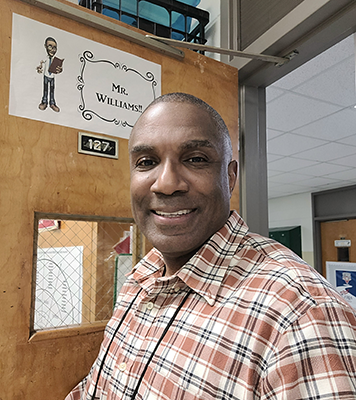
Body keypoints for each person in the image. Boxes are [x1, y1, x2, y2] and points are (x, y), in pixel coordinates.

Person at [66, 93, 356, 400]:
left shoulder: (300, 315)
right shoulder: (140, 279)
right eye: (147, 162)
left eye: (195, 159)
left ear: (230, 177)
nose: (165, 183)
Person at [36, 37, 62, 112]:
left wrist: (60, 70)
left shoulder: (56, 60)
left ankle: (52, 103)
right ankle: (44, 102)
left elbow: (59, 68)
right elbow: (41, 66)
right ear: (45, 46)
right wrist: (39, 68)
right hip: (46, 76)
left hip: (52, 77)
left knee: (52, 90)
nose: (52, 50)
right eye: (50, 46)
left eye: (55, 48)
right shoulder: (45, 59)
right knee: (45, 90)